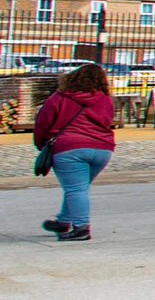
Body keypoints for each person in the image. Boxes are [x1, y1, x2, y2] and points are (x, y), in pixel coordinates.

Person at [33, 62, 116, 242]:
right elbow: (108, 120)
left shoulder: (59, 97)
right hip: (102, 149)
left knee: (76, 189)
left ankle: (81, 228)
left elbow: (43, 122)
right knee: (79, 188)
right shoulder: (105, 99)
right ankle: (63, 221)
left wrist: (42, 145)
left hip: (69, 148)